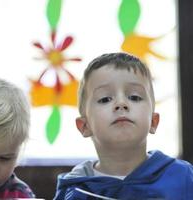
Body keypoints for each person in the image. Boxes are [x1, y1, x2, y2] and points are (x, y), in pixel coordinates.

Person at [54, 53, 193, 200]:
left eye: (134, 97)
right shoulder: (73, 191)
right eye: (105, 99)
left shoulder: (183, 177)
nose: (121, 103)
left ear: (153, 121)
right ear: (84, 126)